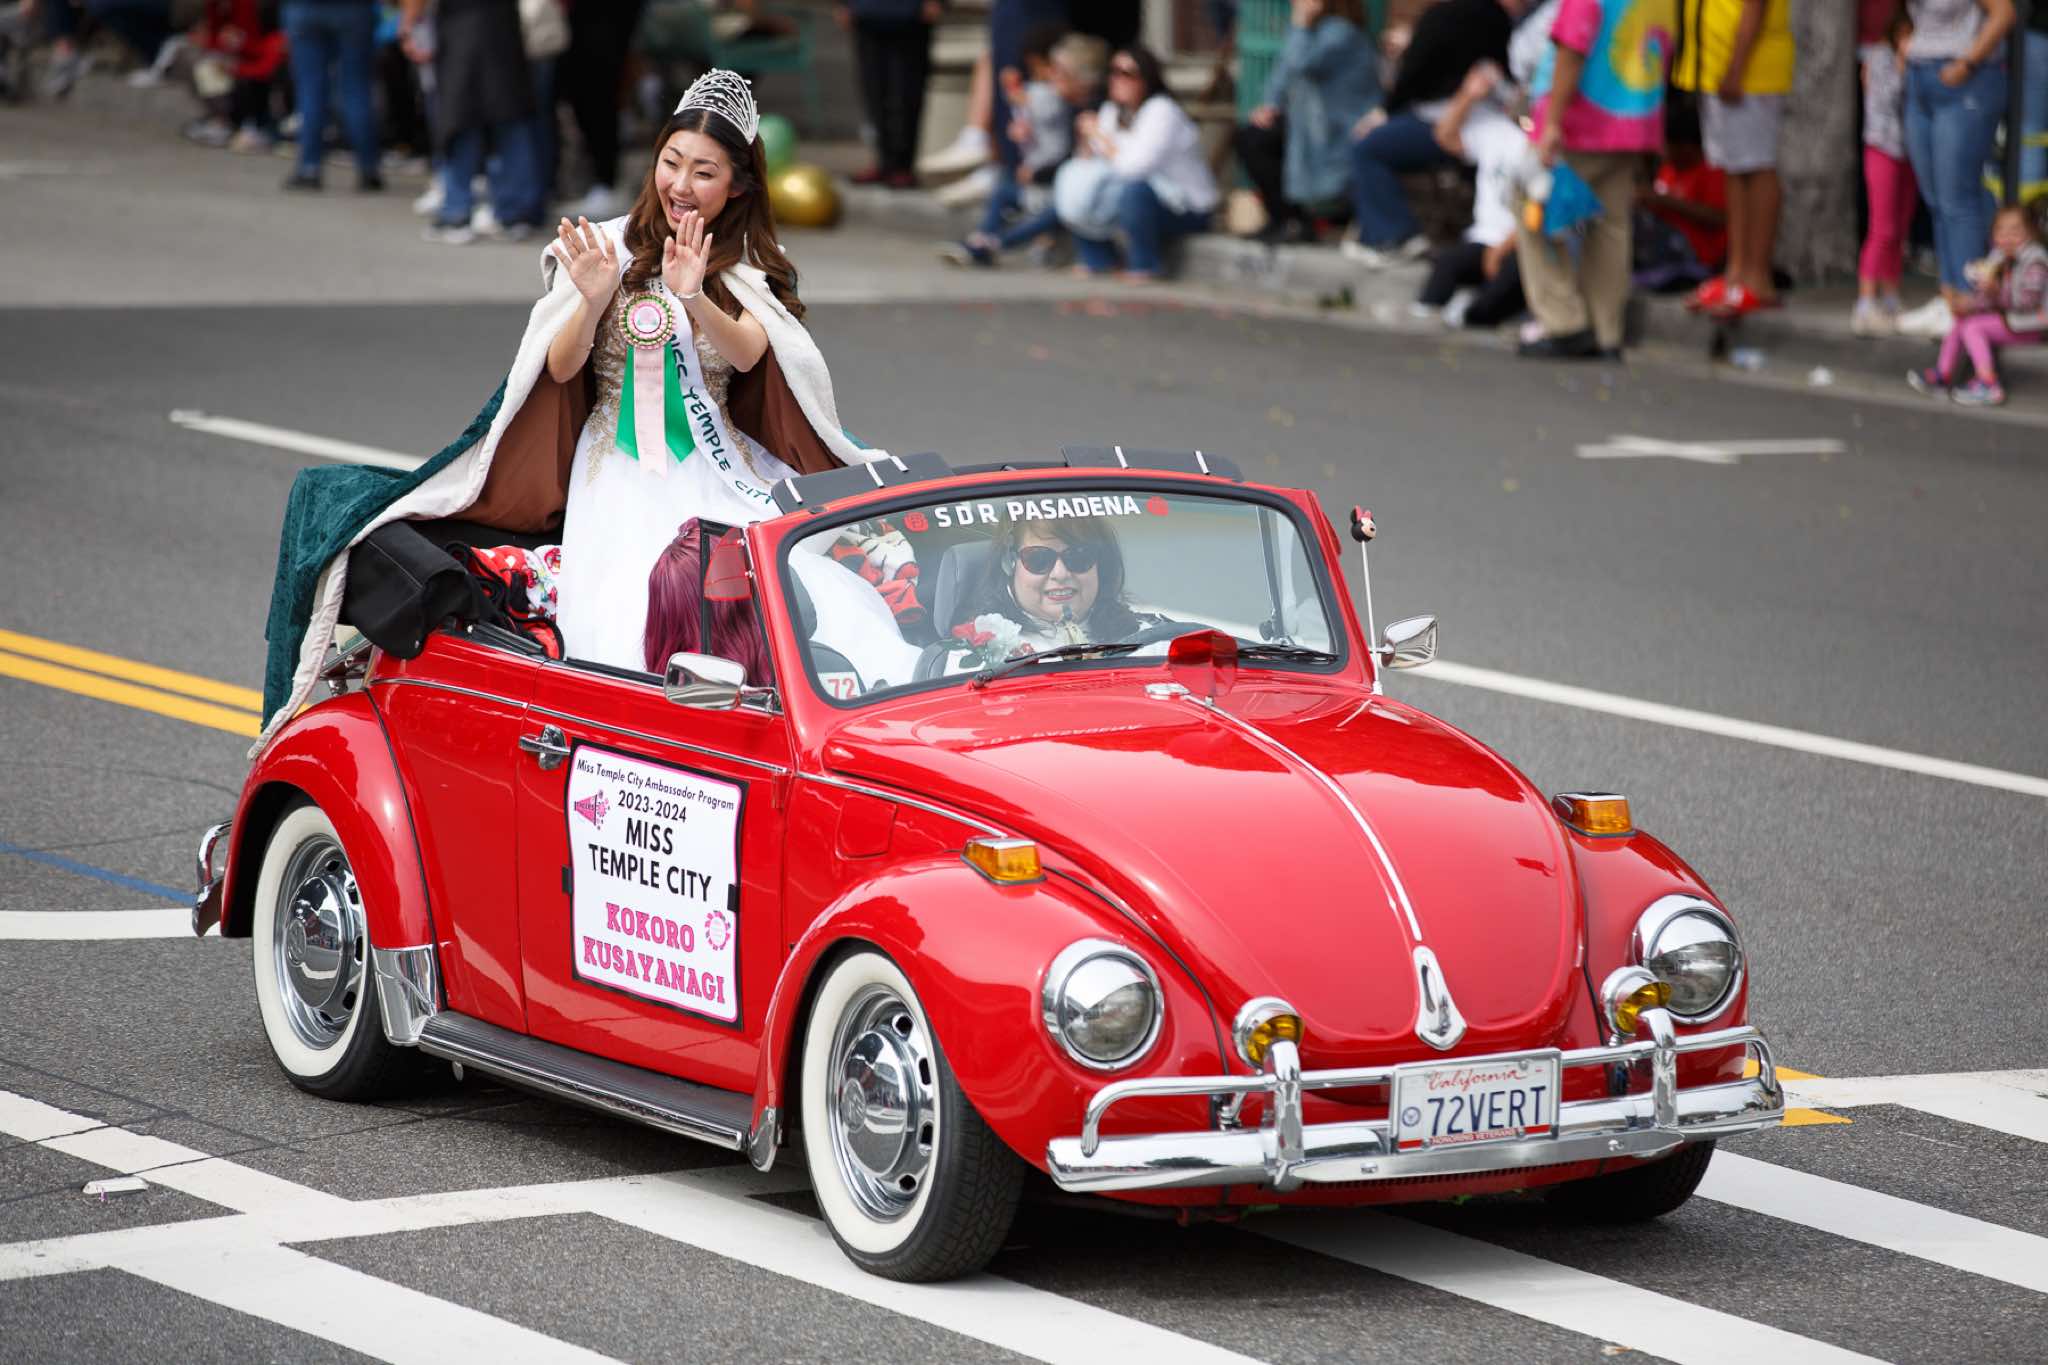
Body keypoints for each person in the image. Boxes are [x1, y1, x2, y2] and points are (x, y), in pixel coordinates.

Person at [254, 70, 890, 739]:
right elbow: (557, 367)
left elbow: (751, 354)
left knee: (789, 585)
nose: (680, 184)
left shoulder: (751, 258)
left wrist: (696, 295)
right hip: (616, 460)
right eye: (671, 162)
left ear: (737, 185)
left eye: (704, 172)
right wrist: (592, 300)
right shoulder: (603, 244)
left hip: (717, 459)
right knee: (629, 601)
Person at [1515, 0, 1676, 360]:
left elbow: (1573, 47)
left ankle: (1563, 322)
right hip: (1633, 121)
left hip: (1582, 122)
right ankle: (1606, 331)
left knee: (1533, 208)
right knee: (1611, 224)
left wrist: (1552, 122)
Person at [1341, 0, 1520, 269]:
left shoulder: (1446, 15)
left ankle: (1394, 235)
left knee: (1366, 147)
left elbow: (1415, 78)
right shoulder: (1498, 18)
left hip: (1451, 120)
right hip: (1477, 120)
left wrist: (1385, 110)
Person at [1894, 0, 2017, 340]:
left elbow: (2004, 13)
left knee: (1958, 198)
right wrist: (1905, 44)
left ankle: (1969, 301)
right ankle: (1948, 297)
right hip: (1920, 76)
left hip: (1965, 78)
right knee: (1936, 198)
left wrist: (1967, 62)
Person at [1670, 0, 1795, 319]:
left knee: (1757, 166)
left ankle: (1758, 279)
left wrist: (1737, 66)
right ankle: (1735, 273)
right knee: (1733, 168)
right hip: (1716, 65)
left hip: (1749, 69)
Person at [940, 29, 1105, 267]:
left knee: (1057, 208)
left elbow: (1071, 159)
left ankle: (993, 244)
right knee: (1004, 188)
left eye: (1060, 72)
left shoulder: (1093, 112)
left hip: (1076, 193)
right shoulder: (1063, 103)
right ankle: (982, 237)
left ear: (1080, 79)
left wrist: (1037, 173)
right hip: (1050, 184)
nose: (1052, 76)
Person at [1058, 44, 1220, 282]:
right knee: (1074, 181)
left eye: (1127, 73)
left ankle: (1144, 263)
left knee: (1132, 191)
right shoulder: (1112, 111)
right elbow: (1091, 165)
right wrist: (1085, 140)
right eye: (1113, 72)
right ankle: (1099, 257)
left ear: (1146, 78)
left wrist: (1100, 136)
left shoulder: (1162, 111)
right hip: (1140, 196)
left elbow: (1133, 169)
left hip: (1186, 206)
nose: (1117, 79)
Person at [1233, 0, 1380, 245]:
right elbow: (1283, 70)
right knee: (1252, 136)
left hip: (1341, 128)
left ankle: (1297, 220)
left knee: (1259, 142)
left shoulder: (1341, 32)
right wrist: (1270, 104)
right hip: (1311, 125)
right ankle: (1288, 218)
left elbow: (1301, 62)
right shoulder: (1315, 30)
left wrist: (1299, 24)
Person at [402, 0, 542, 242]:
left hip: (462, 27)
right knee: (509, 119)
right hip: (502, 26)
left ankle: (458, 212)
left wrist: (409, 23)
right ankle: (514, 213)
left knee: (460, 121)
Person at [1415, 59, 1526, 328]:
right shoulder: (1496, 131)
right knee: (1447, 265)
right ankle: (1427, 315)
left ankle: (1473, 313)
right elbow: (1445, 136)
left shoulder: (1547, 143)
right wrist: (1468, 95)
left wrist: (1501, 249)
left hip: (1524, 244)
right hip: (1484, 237)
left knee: (1505, 284)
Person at [1907, 203, 2047, 407]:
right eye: (2001, 231)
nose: (2007, 237)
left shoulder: (2035, 261)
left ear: (2030, 233)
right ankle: (1943, 374)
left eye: (2015, 231)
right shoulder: (1998, 257)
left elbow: (2027, 302)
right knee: (1962, 320)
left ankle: (1988, 383)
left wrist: (1996, 291)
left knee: (1973, 328)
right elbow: (1990, 298)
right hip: (2011, 319)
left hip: (2032, 325)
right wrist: (1970, 303)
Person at [960, 516, 1148, 650]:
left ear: (1101, 566)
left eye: (1079, 556)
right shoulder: (976, 652)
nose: (1060, 574)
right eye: (1039, 559)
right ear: (1009, 564)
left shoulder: (1150, 640)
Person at [1855, 8, 1915, 335]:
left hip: (1910, 151)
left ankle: (1891, 295)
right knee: (1883, 227)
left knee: (1900, 227)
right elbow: (1886, 99)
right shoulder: (1879, 58)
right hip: (1882, 147)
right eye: (1905, 35)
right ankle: (1865, 300)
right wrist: (1904, 67)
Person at [839, 0, 943, 189]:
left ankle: (903, 165)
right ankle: (884, 162)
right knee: (873, 92)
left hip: (911, 15)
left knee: (907, 92)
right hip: (867, 14)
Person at [557, 0, 646, 220]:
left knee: (599, 100)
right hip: (588, 26)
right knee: (589, 100)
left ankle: (606, 182)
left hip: (603, 27)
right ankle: (601, 182)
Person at [281, 0, 382, 192]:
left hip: (306, 9)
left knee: (310, 89)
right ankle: (368, 168)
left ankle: (309, 168)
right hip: (354, 10)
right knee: (356, 88)